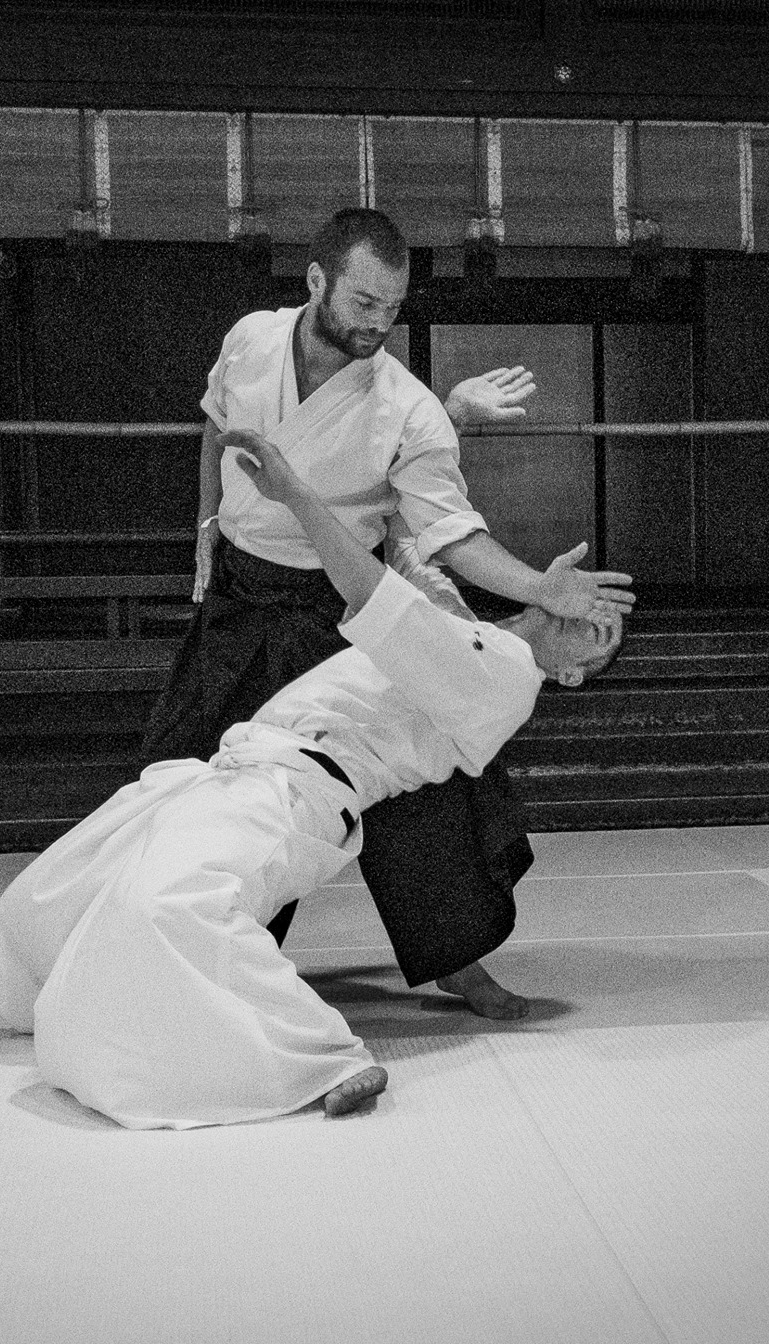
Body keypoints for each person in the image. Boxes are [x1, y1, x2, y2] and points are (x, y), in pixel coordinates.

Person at [0, 428, 623, 1130]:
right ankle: (81, 999)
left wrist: (293, 491)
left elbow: (367, 585)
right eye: (598, 599)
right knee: (39, 901)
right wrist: (460, 430)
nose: (592, 612)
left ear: (572, 675)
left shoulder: (506, 680)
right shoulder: (470, 627)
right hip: (232, 775)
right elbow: (407, 516)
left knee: (168, 905)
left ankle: (327, 1058)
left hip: (294, 795)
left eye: (602, 632)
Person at [140, 207, 635, 1019]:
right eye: (365, 302)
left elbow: (451, 534)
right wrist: (205, 527)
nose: (379, 323)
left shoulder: (406, 407)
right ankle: (170, 950)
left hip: (335, 607)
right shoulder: (251, 340)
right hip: (239, 597)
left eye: (393, 307)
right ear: (317, 281)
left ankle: (461, 963)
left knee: (412, 776)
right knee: (182, 777)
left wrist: (537, 590)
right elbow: (215, 428)